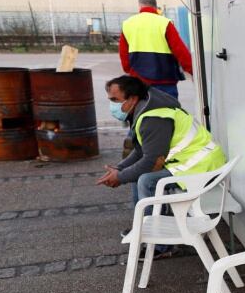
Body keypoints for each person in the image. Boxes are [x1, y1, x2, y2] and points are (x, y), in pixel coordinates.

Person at [96, 76, 225, 220]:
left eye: (114, 100)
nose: (112, 105)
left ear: (132, 99)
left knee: (146, 180)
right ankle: (143, 226)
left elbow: (151, 161)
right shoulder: (147, 108)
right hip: (193, 162)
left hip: (202, 166)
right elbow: (141, 150)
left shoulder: (153, 119)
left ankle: (157, 237)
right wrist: (120, 169)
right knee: (134, 174)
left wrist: (120, 177)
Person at [118, 0, 192, 99]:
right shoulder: (165, 23)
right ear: (155, 6)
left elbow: (124, 55)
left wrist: (130, 70)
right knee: (168, 112)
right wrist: (192, 70)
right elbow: (180, 51)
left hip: (139, 82)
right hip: (165, 81)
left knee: (144, 113)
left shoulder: (128, 24)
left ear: (140, 6)